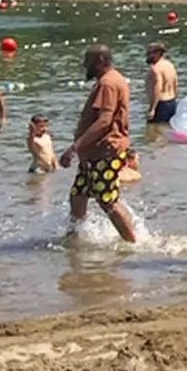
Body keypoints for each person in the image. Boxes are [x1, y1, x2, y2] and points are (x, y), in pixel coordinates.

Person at [62, 46, 138, 242]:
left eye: (88, 61)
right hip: (93, 154)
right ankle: (73, 241)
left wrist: (74, 147)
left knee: (108, 202)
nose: (85, 65)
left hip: (105, 152)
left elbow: (104, 121)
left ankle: (132, 244)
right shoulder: (109, 81)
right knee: (78, 195)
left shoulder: (108, 83)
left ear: (101, 59)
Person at [145, 43, 179, 124]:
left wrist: (152, 109)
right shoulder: (170, 65)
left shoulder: (156, 69)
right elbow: (176, 83)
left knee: (155, 132)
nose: (147, 56)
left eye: (149, 53)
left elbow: (158, 88)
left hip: (160, 104)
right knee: (167, 130)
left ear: (158, 53)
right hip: (172, 102)